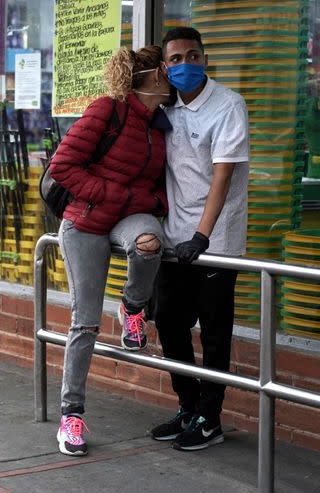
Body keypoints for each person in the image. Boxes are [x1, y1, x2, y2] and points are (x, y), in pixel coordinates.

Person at [48, 46, 172, 457]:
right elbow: (62, 165)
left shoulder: (160, 124)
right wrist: (109, 193)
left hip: (128, 216)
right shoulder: (107, 110)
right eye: (168, 68)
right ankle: (72, 415)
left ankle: (133, 307)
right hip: (84, 222)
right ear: (153, 75)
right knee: (84, 322)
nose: (174, 74)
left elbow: (159, 180)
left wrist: (154, 202)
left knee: (150, 245)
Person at [149, 27, 249, 452]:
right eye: (176, 59)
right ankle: (189, 406)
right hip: (174, 239)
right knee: (170, 323)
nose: (185, 64)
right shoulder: (165, 108)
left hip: (216, 239)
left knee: (213, 332)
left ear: (205, 59)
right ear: (165, 67)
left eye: (193, 56)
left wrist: (202, 236)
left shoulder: (228, 105)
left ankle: (211, 417)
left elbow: (222, 176)